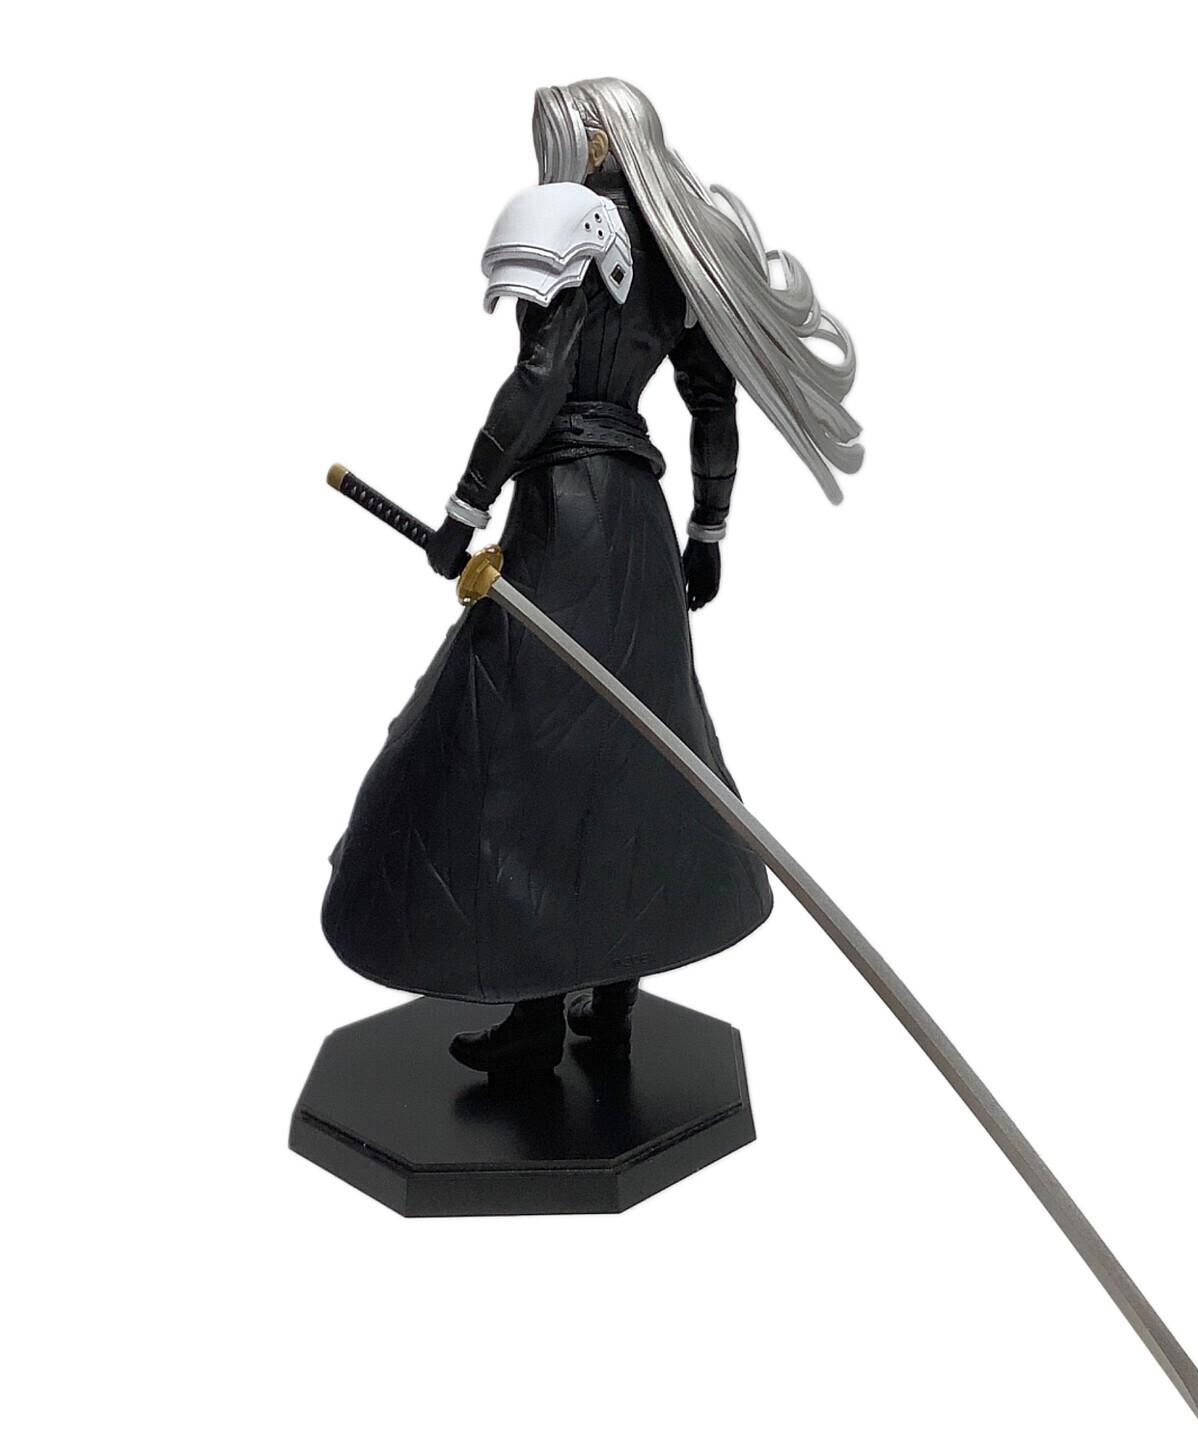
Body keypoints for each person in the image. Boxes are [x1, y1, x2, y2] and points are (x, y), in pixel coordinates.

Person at [321, 78, 861, 1075]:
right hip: (639, 529)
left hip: (567, 517)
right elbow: (712, 408)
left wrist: (465, 508)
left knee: (516, 755)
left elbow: (541, 381)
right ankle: (606, 1005)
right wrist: (707, 529)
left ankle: (540, 1020)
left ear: (598, 139)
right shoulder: (683, 250)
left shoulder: (569, 221)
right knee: (631, 755)